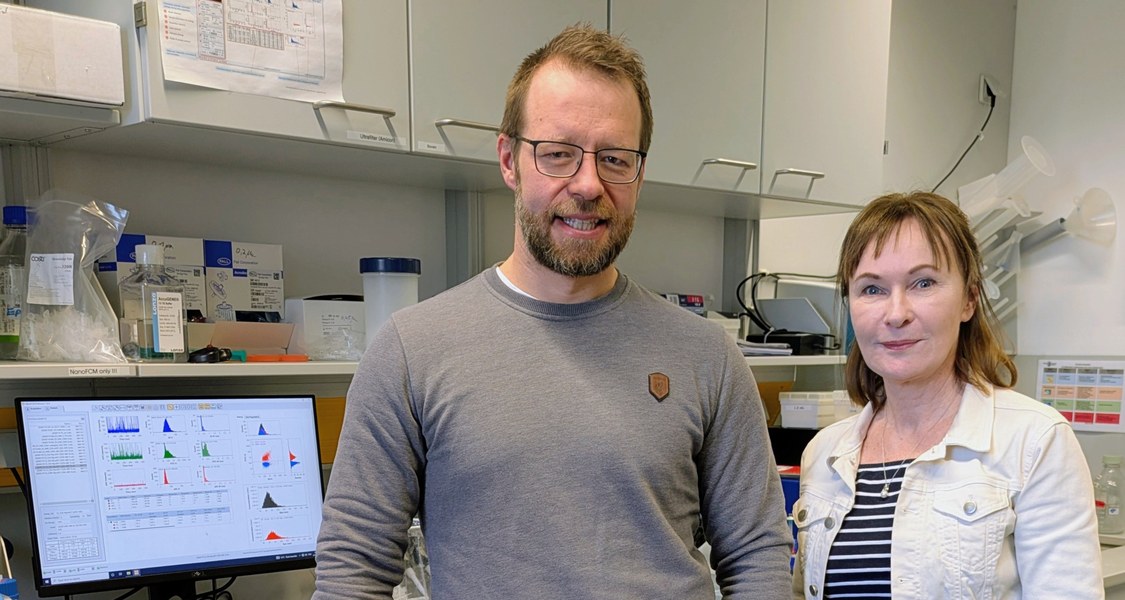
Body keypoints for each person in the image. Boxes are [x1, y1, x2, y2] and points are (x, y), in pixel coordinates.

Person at [313, 24, 793, 599]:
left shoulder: (708, 357)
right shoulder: (412, 351)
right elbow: (353, 572)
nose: (588, 185)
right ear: (509, 161)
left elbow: (758, 560)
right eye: (558, 154)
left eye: (615, 158)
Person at [791, 191, 1104, 599]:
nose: (896, 313)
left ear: (969, 299)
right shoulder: (825, 454)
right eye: (871, 289)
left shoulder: (1034, 441)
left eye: (923, 283)